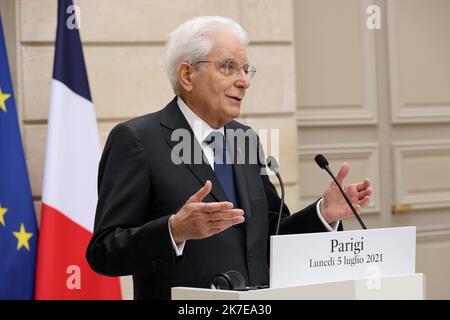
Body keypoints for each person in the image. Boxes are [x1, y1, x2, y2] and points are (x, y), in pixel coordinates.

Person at [86, 16, 372, 300]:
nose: (244, 81)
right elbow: (104, 251)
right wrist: (174, 231)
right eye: (229, 67)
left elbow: (271, 234)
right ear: (187, 75)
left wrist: (323, 213)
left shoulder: (244, 138)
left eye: (246, 70)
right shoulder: (137, 139)